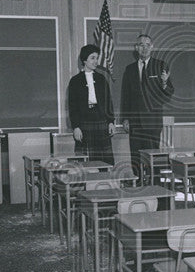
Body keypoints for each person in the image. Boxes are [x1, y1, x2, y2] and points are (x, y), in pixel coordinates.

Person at [120, 34, 174, 178]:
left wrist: (164, 83)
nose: (144, 48)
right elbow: (125, 96)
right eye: (141, 45)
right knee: (136, 158)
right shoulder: (129, 69)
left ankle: (156, 187)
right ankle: (138, 187)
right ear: (136, 48)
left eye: (147, 45)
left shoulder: (160, 65)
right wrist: (125, 119)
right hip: (135, 122)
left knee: (153, 159)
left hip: (153, 122)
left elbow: (168, 93)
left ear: (152, 47)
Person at [67, 44, 115, 164]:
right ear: (84, 60)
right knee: (85, 162)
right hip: (84, 125)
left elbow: (108, 102)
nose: (96, 61)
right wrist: (76, 127)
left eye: (97, 58)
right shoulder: (75, 81)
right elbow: (72, 107)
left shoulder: (101, 79)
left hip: (101, 123)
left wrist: (111, 122)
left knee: (105, 161)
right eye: (92, 58)